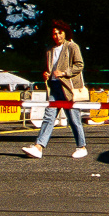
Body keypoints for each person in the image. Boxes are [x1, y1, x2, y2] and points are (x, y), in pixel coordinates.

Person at [23, 19, 87, 159]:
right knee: (49, 116)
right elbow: (50, 68)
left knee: (73, 118)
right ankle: (38, 147)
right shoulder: (49, 50)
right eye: (54, 33)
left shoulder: (72, 46)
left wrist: (64, 73)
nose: (57, 36)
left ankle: (81, 146)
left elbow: (79, 65)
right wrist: (47, 73)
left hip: (68, 88)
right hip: (54, 87)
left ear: (65, 33)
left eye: (60, 33)